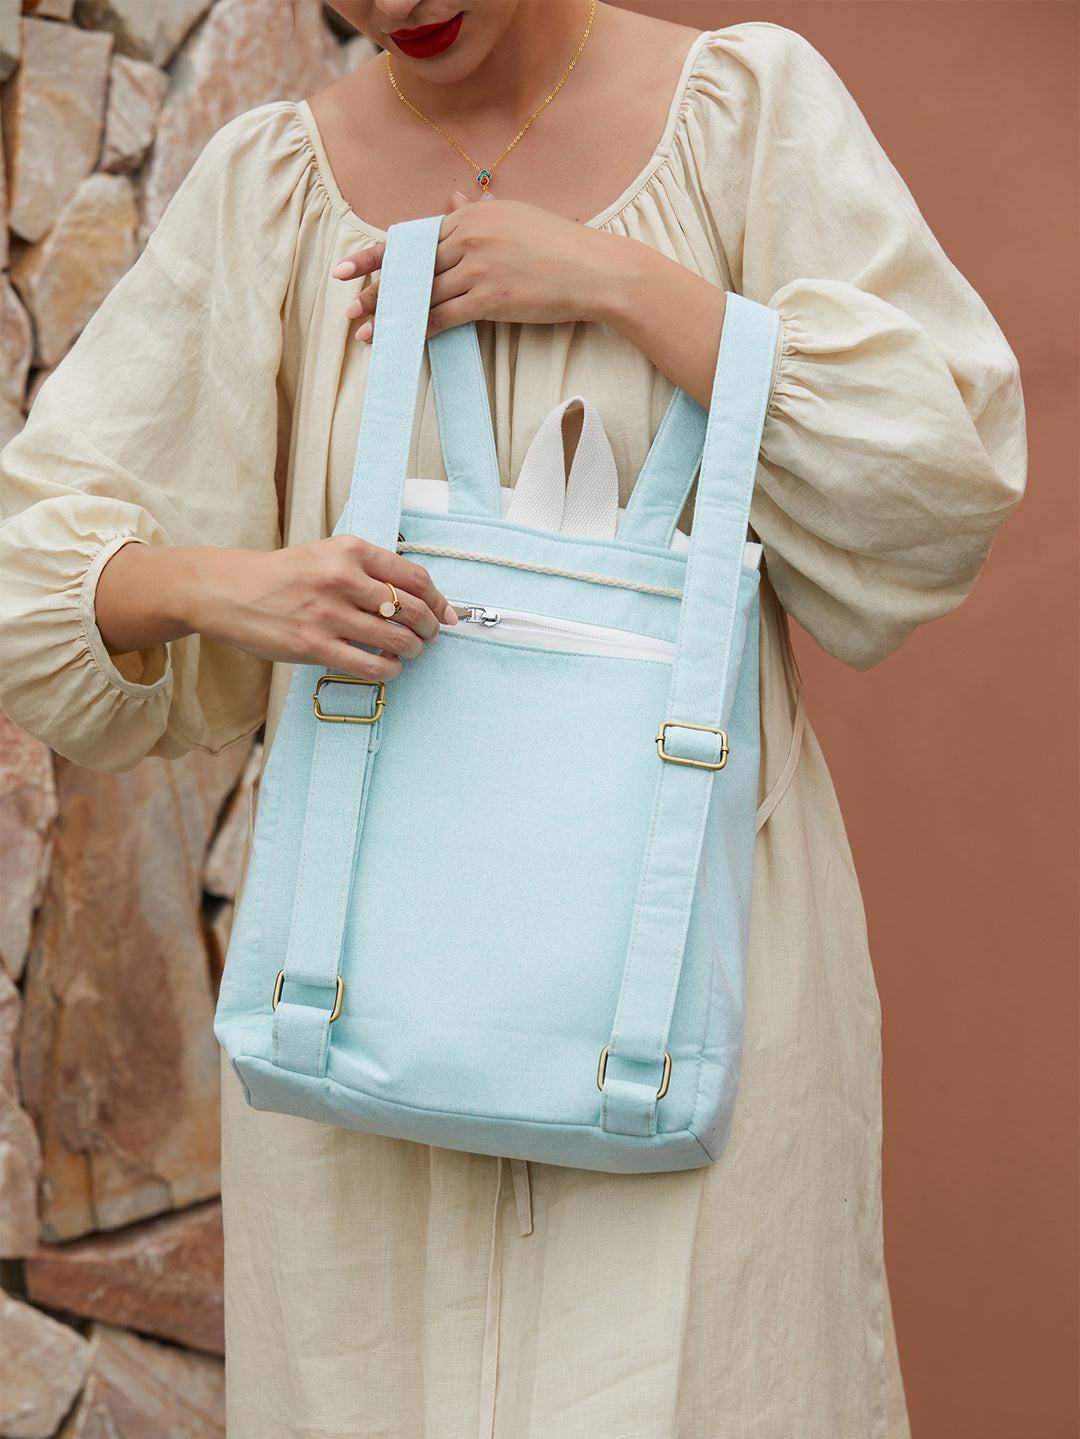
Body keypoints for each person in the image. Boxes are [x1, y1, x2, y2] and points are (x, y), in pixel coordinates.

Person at [0, 2, 1026, 1434]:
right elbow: (28, 566)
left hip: (683, 983)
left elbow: (933, 477)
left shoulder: (745, 115)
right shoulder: (271, 189)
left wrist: (623, 284)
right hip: (366, 1005)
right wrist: (235, 589)